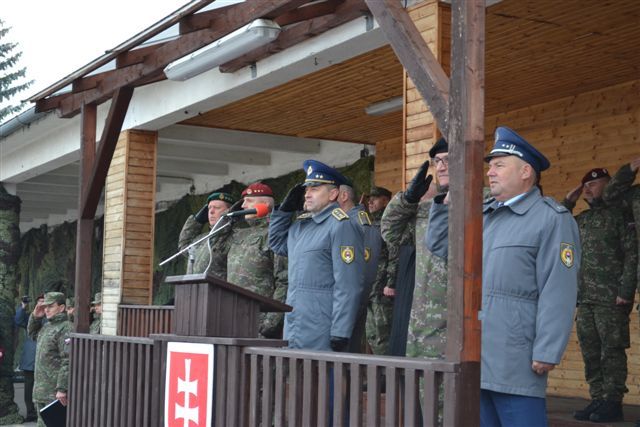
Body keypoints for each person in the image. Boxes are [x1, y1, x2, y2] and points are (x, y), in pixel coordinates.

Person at [427, 126, 581, 426]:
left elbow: (558, 290)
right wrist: (444, 208)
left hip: (516, 357)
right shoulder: (484, 214)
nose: (490, 172)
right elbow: (441, 246)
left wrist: (547, 349)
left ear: (526, 172)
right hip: (476, 352)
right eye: (490, 166)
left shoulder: (551, 219)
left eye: (499, 165)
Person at [564, 168, 637, 422]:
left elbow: (632, 255)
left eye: (594, 184)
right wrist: (568, 201)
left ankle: (612, 402)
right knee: (591, 351)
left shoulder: (620, 215)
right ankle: (597, 398)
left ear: (609, 185)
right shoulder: (583, 219)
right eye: (585, 184)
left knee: (612, 351)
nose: (587, 188)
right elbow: (558, 226)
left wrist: (625, 291)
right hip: (585, 298)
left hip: (611, 298)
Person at [268, 160, 365, 351]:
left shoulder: (341, 225)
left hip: (322, 326)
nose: (307, 194)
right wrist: (284, 212)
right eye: (306, 189)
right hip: (295, 322)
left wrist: (341, 330)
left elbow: (348, 284)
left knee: (320, 372)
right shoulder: (300, 225)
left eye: (315, 188)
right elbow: (277, 244)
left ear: (333, 194)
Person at [382, 137, 446, 359]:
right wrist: (408, 199)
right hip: (427, 324)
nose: (442, 166)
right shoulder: (428, 211)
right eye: (438, 161)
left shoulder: (484, 203)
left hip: (468, 322)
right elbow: (390, 232)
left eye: (449, 160)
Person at [226, 182, 288, 338]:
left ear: (265, 205)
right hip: (232, 317)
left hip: (259, 321)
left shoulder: (275, 234)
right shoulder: (239, 234)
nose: (243, 206)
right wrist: (228, 217)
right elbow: (215, 245)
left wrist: (270, 324)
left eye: (249, 201)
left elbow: (284, 280)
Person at [27, 292, 71, 427]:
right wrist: (35, 317)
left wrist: (62, 388)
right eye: (45, 306)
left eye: (50, 306)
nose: (46, 309)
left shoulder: (66, 327)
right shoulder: (47, 326)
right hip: (41, 390)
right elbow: (32, 334)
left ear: (62, 308)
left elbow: (68, 360)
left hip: (54, 392)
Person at [363, 186, 394, 355]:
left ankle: (387, 371)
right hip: (370, 287)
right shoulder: (370, 224)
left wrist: (390, 282)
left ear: (386, 201)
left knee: (383, 336)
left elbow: (394, 256)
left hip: (383, 290)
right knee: (371, 335)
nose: (370, 202)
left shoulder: (389, 223)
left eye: (375, 198)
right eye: (369, 199)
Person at [177, 192, 235, 277]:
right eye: (209, 208)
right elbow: (184, 246)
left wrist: (226, 221)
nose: (211, 211)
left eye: (217, 208)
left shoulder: (235, 237)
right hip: (193, 285)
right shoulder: (202, 238)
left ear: (229, 211)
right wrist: (196, 221)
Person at [14, 295, 43, 422]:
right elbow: (18, 320)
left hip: (46, 359)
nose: (42, 304)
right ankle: (31, 412)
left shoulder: (51, 318)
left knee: (45, 387)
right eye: (40, 302)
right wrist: (23, 306)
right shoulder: (30, 318)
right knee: (29, 387)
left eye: (44, 302)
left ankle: (43, 413)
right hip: (30, 358)